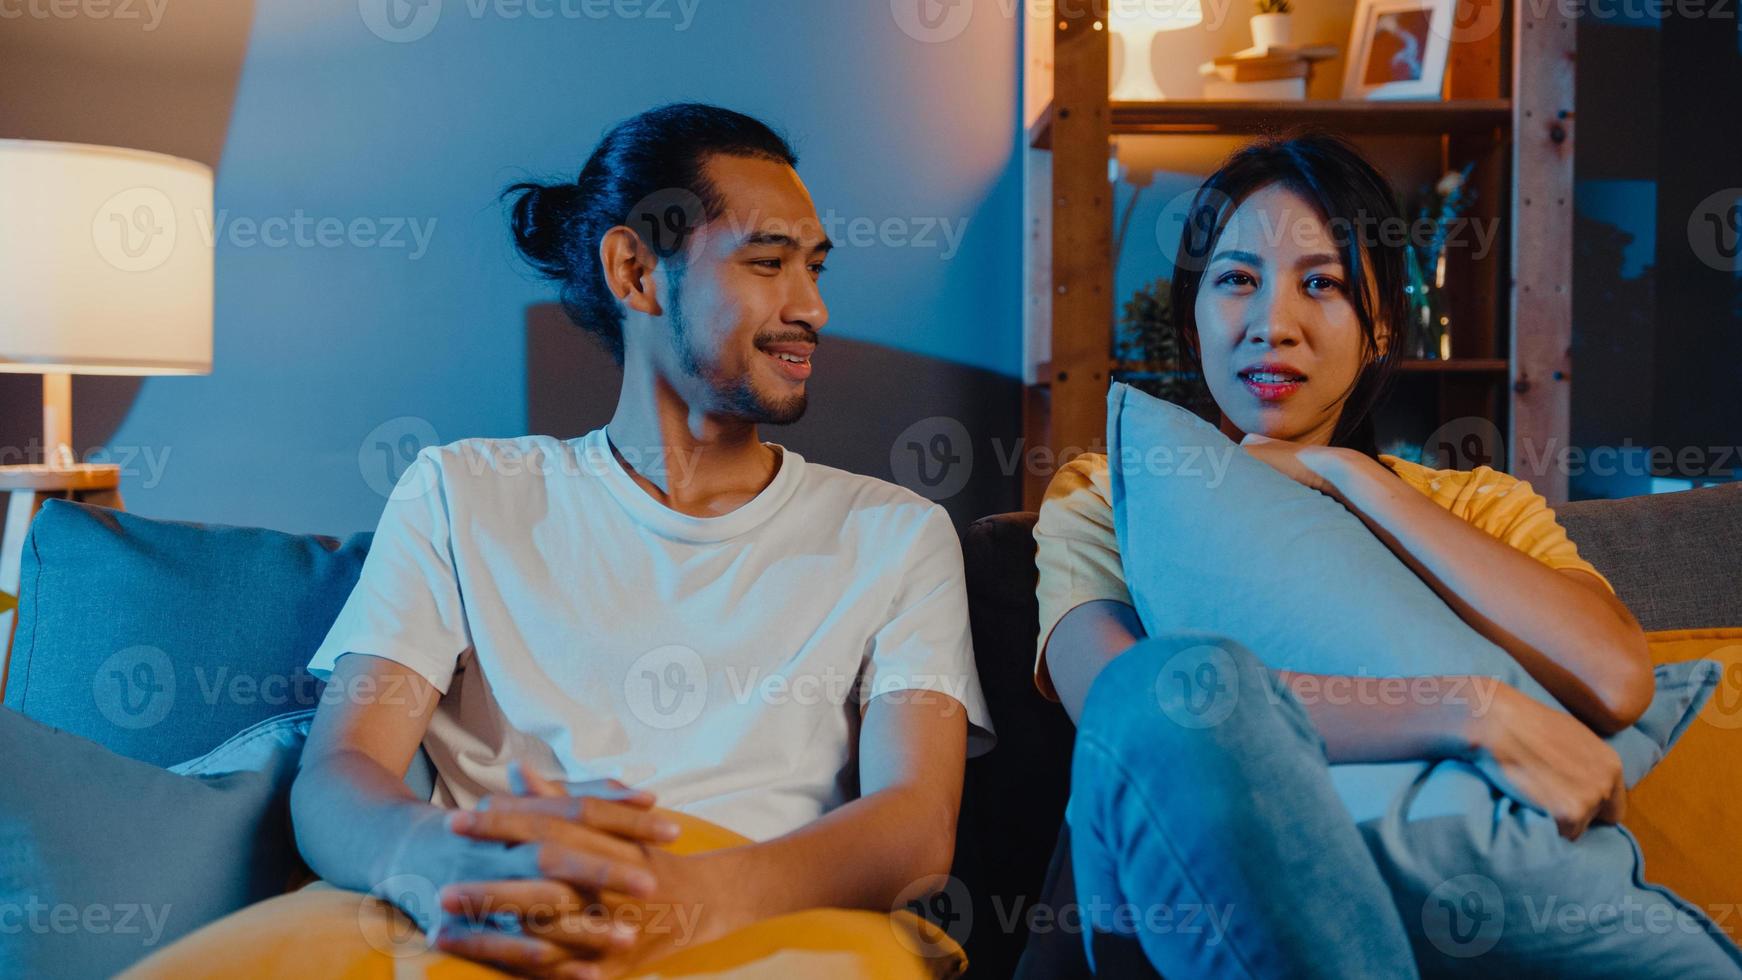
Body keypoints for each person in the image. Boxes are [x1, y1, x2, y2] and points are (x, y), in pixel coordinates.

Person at [290, 103, 992, 980]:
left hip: (769, 932)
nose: (811, 306)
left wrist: (688, 904)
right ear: (635, 271)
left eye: (813, 268)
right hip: (502, 926)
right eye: (768, 262)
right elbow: (340, 768)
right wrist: (437, 861)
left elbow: (916, 823)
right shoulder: (461, 492)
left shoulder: (897, 534)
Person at [1033, 132, 1659, 976]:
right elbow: (1136, 707)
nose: (1272, 326)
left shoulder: (1477, 505)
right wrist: (1471, 712)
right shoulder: (1108, 494)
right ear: (1192, 319)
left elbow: (1615, 678)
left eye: (1321, 283)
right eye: (1236, 281)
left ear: (1381, 328)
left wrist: (1348, 476)